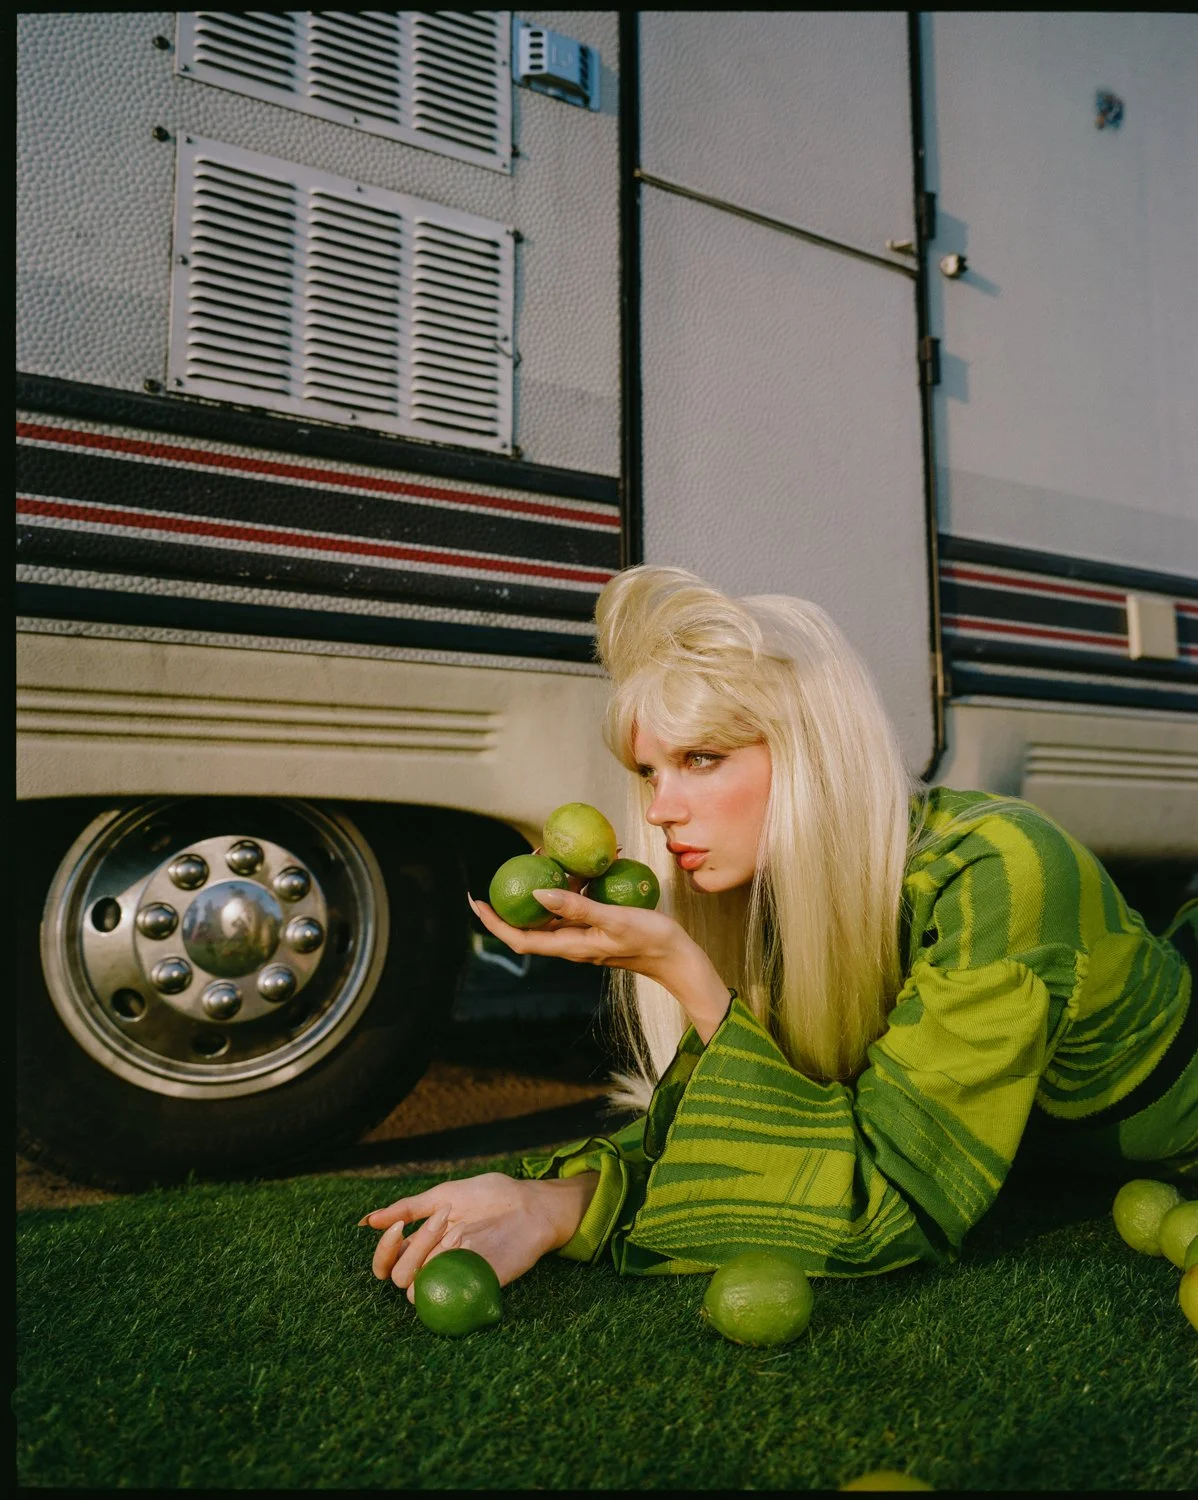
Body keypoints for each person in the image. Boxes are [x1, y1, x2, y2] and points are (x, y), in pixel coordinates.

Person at [361, 566, 1197, 1299]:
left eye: (701, 760)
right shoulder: (782, 899)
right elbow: (779, 1120)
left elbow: (882, 1203)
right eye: (650, 771)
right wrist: (551, 1201)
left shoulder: (1000, 869)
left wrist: (687, 975)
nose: (659, 810)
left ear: (809, 754)